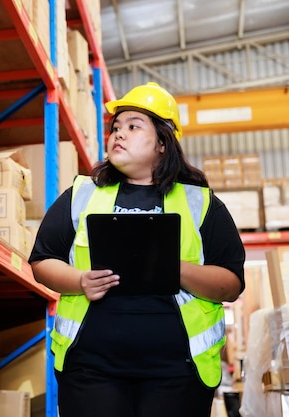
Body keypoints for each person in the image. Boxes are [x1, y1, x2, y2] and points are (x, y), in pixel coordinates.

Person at [28, 82, 246, 417]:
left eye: (133, 126)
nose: (119, 134)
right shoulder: (82, 195)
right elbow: (42, 259)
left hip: (176, 374)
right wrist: (80, 281)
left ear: (162, 142)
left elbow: (231, 283)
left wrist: (175, 269)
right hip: (91, 370)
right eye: (116, 128)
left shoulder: (201, 204)